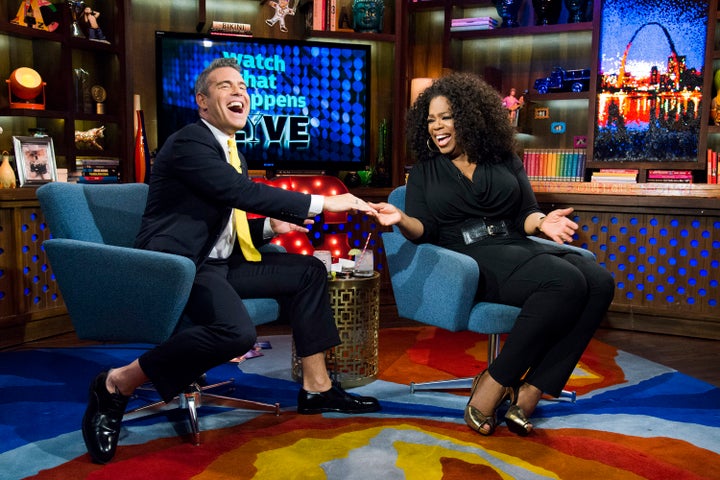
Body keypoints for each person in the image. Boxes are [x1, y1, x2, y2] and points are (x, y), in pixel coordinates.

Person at [81, 57, 381, 465]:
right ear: (202, 102)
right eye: (226, 86)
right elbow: (241, 193)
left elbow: (223, 226)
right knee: (237, 334)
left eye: (242, 85)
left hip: (218, 262)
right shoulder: (189, 142)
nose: (239, 91)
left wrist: (271, 231)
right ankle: (117, 383)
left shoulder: (229, 149)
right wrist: (325, 202)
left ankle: (317, 388)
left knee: (309, 271)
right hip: (181, 267)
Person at [369, 72, 614, 437]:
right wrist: (401, 218)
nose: (437, 127)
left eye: (446, 117)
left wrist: (543, 222)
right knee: (564, 281)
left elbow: (525, 212)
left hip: (515, 245)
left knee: (599, 280)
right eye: (431, 120)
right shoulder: (423, 174)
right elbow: (425, 230)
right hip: (467, 259)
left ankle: (532, 389)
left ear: (469, 116)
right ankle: (496, 380)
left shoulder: (504, 159)